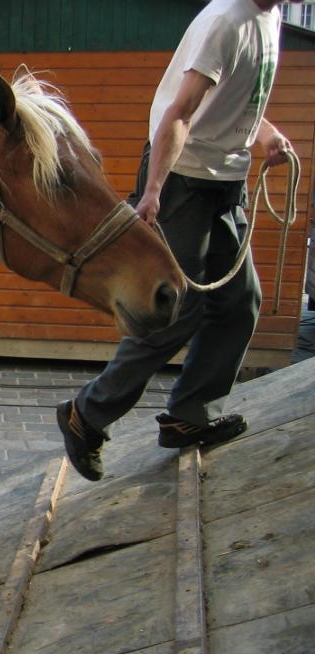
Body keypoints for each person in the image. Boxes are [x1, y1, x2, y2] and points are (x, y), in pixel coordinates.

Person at [57, 0, 298, 481]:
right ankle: (87, 415)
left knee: (240, 301)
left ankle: (191, 414)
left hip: (225, 180)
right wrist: (153, 192)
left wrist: (264, 134)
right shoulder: (225, 22)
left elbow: (237, 101)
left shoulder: (269, 16)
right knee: (175, 308)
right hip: (183, 179)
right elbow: (180, 113)